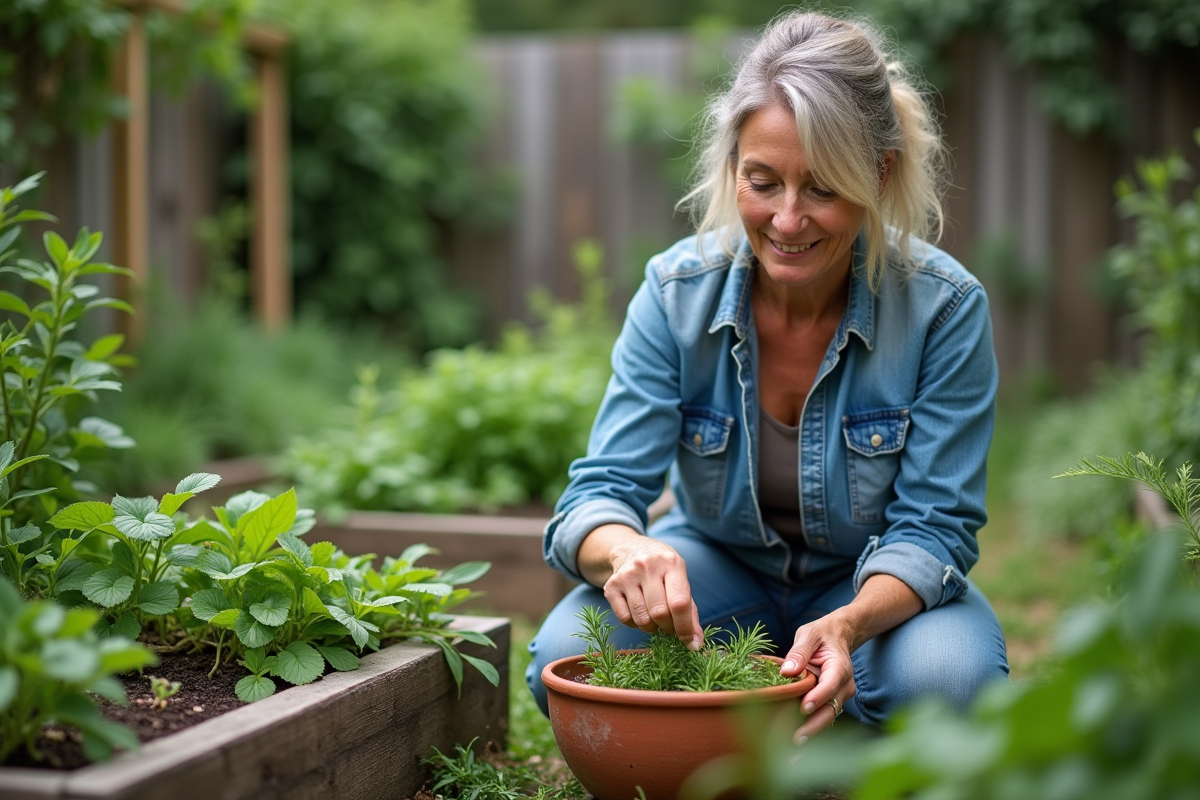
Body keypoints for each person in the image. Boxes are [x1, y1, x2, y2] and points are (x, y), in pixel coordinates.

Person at [527, 10, 1009, 740]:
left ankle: (814, 702)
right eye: (763, 181)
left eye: (821, 188)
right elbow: (598, 495)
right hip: (716, 569)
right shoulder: (673, 294)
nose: (787, 220)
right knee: (565, 657)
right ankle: (802, 709)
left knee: (948, 684)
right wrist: (629, 550)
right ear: (733, 169)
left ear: (877, 174)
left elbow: (935, 530)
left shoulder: (944, 310)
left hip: (870, 590)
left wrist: (846, 624)